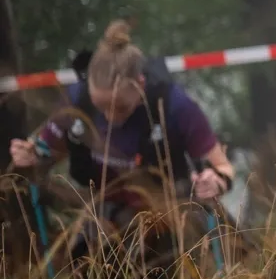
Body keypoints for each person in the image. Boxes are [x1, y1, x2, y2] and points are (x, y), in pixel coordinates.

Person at [7, 21, 234, 203]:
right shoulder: (75, 103)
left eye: (121, 107)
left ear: (140, 84)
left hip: (170, 209)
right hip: (105, 211)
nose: (110, 117)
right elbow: (46, 154)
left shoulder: (174, 105)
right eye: (100, 107)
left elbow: (223, 168)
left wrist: (217, 181)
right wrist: (29, 156)